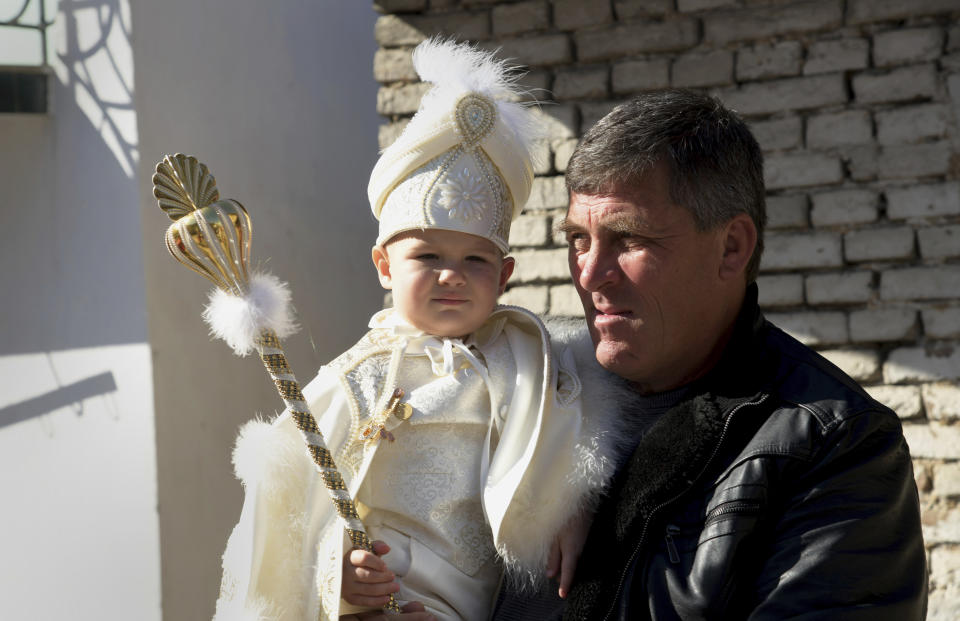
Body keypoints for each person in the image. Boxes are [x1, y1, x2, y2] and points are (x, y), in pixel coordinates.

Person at [211, 40, 620, 621]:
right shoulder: (356, 381)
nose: (452, 275)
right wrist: (343, 578)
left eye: (475, 261)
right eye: (427, 256)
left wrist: (575, 510)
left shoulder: (533, 359)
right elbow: (299, 522)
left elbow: (571, 448)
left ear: (504, 275)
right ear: (384, 265)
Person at [495, 89, 927, 619]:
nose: (588, 274)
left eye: (627, 239)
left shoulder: (835, 446)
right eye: (578, 240)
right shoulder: (522, 386)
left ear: (731, 247)